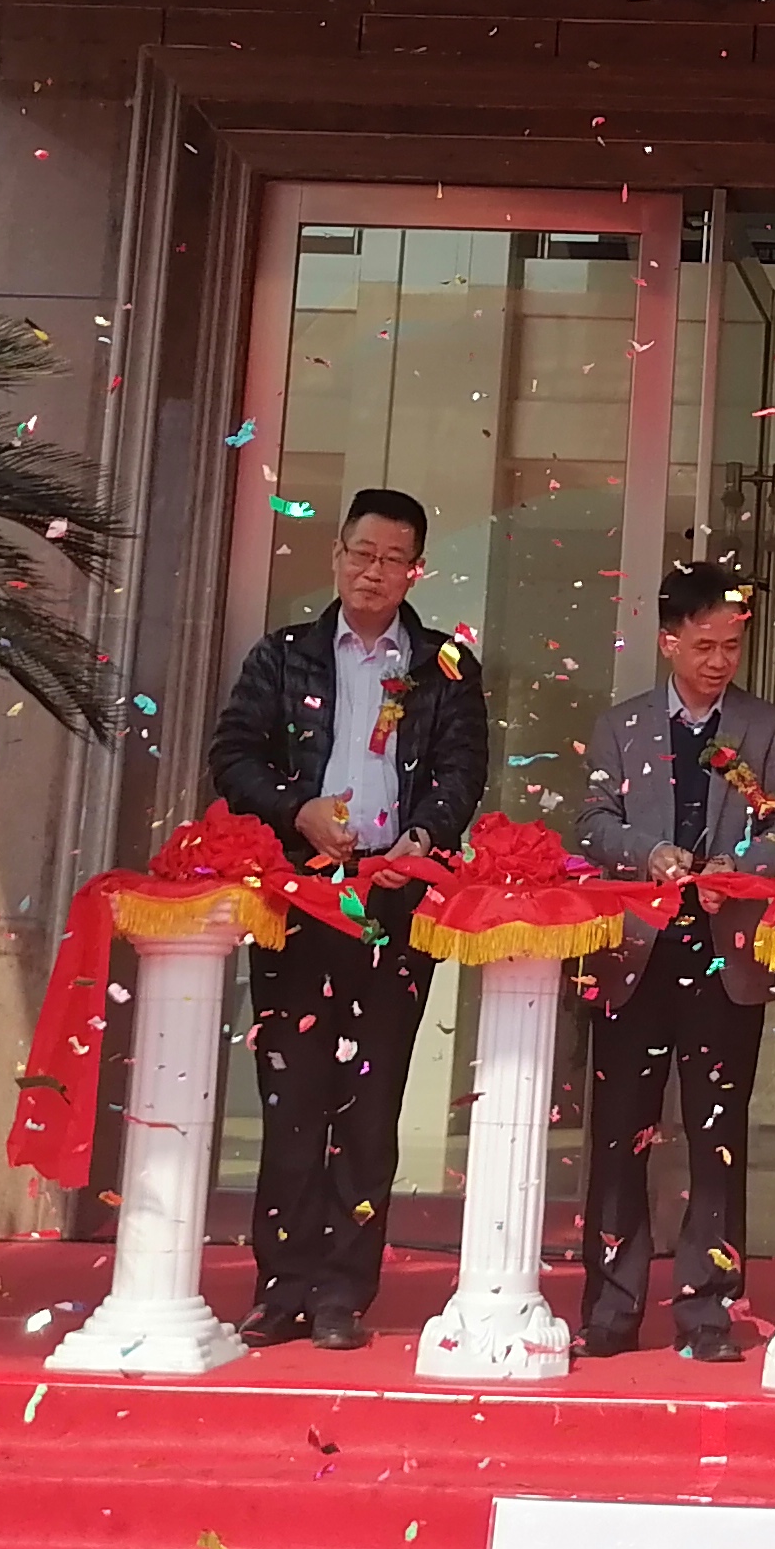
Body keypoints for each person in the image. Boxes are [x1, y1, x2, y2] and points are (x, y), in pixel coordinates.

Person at [208, 487, 488, 1351]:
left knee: (370, 1104)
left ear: (415, 572)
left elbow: (462, 768)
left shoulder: (445, 665)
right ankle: (279, 1287)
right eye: (361, 554)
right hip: (300, 897)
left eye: (392, 560)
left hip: (393, 900)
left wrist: (422, 836)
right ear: (337, 555)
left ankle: (342, 1293)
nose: (374, 572)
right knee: (292, 1098)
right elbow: (232, 757)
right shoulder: (283, 655)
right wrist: (296, 812)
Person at [570, 560, 775, 1362]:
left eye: (731, 647)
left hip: (723, 951)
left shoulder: (766, 728)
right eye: (703, 645)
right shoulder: (621, 726)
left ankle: (708, 1308)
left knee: (717, 1135)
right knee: (620, 1134)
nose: (718, 661)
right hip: (635, 952)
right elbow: (591, 823)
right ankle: (612, 1306)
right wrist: (650, 854)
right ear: (668, 640)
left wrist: (739, 872)